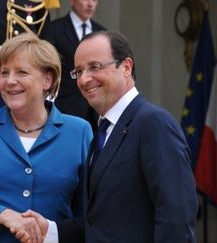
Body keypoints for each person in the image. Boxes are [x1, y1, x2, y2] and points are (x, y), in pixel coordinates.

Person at [16, 31, 198, 243]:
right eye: (79, 71)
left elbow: (176, 217)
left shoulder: (153, 123)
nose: (84, 79)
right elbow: (102, 222)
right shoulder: (102, 133)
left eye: (95, 67)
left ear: (126, 67)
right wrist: (50, 231)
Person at [0, 33, 93, 243]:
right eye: (4, 73)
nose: (10, 81)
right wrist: (3, 215)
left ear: (47, 80)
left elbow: (88, 213)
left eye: (21, 72)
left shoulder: (79, 131)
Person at [41, 0, 104, 131]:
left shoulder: (102, 33)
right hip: (65, 106)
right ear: (71, 1)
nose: (90, 4)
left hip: (96, 110)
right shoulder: (54, 30)